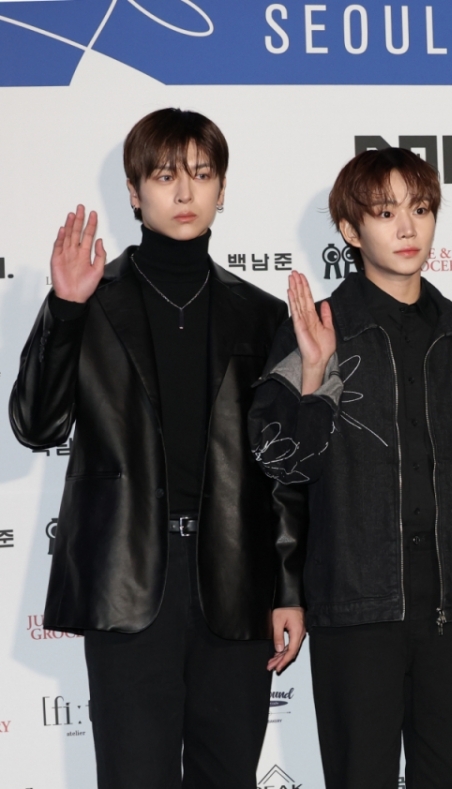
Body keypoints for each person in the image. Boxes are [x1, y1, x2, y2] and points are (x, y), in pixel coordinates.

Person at [8, 108, 306, 789]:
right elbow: (36, 425)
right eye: (166, 175)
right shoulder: (92, 300)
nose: (185, 191)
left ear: (222, 189)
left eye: (201, 174)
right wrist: (65, 309)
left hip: (235, 577)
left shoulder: (263, 315)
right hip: (128, 578)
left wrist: (289, 587)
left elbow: (283, 467)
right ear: (134, 191)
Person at [248, 147, 452, 789]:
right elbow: (279, 465)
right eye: (386, 213)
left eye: (421, 209)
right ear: (351, 231)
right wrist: (314, 375)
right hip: (354, 610)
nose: (408, 228)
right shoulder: (314, 331)